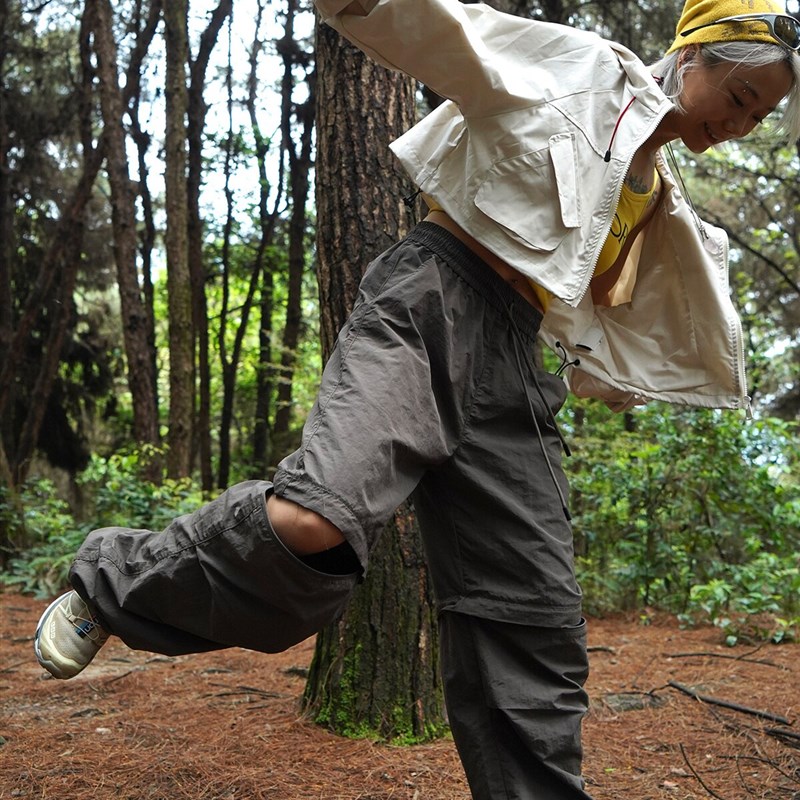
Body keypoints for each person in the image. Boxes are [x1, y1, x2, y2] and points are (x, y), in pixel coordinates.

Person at [34, 0, 800, 797]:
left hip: (517, 369)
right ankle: (114, 582)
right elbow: (456, 35)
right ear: (693, 55)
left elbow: (588, 298)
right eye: (740, 98)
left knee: (534, 620)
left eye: (762, 115)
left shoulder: (657, 194)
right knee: (313, 525)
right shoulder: (587, 73)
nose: (741, 124)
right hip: (431, 302)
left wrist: (610, 377)